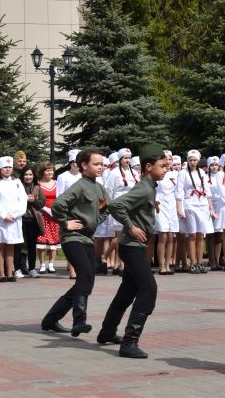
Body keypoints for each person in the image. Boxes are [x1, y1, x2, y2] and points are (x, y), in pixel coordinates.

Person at [96, 145, 169, 358]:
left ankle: (107, 332)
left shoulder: (149, 187)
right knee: (149, 288)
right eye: (162, 166)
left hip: (135, 247)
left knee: (128, 291)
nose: (166, 169)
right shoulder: (144, 187)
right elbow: (116, 205)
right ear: (148, 167)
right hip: (132, 247)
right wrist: (131, 226)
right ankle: (129, 342)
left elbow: (134, 203)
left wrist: (148, 205)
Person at [41, 149, 109, 336]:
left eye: (101, 164)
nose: (100, 167)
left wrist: (94, 222)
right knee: (85, 275)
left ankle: (51, 319)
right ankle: (79, 320)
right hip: (72, 238)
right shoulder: (79, 186)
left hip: (87, 237)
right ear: (84, 166)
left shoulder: (99, 187)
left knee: (87, 280)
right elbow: (57, 205)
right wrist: (65, 223)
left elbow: (105, 208)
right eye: (96, 164)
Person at [177, 150, 215, 273]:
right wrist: (179, 208)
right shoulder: (183, 173)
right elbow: (179, 191)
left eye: (194, 160)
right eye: (190, 160)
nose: (192, 162)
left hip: (202, 205)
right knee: (192, 234)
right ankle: (192, 263)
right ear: (187, 161)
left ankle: (199, 262)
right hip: (189, 205)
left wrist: (211, 209)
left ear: (198, 161)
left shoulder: (202, 173)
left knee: (200, 235)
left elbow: (208, 192)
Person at [0, 156, 26, 282]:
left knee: (10, 244)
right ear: (0, 168)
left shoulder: (17, 182)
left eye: (9, 167)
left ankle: (10, 271)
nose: (7, 169)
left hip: (14, 219)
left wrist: (14, 214)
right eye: (5, 167)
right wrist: (3, 215)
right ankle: (1, 272)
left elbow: (22, 200)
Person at [15, 164, 44, 278]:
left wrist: (33, 201)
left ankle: (32, 268)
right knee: (19, 245)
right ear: (22, 176)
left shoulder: (37, 187)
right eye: (26, 174)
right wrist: (24, 200)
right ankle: (18, 268)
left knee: (32, 245)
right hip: (20, 219)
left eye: (30, 174)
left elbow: (42, 203)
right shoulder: (18, 186)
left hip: (32, 220)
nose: (28, 177)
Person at [36, 162, 61, 273]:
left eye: (51, 170)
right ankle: (42, 264)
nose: (50, 172)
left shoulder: (57, 183)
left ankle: (51, 264)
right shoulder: (38, 184)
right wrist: (44, 209)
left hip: (55, 215)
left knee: (54, 240)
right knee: (42, 240)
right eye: (47, 170)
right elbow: (36, 200)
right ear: (42, 172)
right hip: (43, 215)